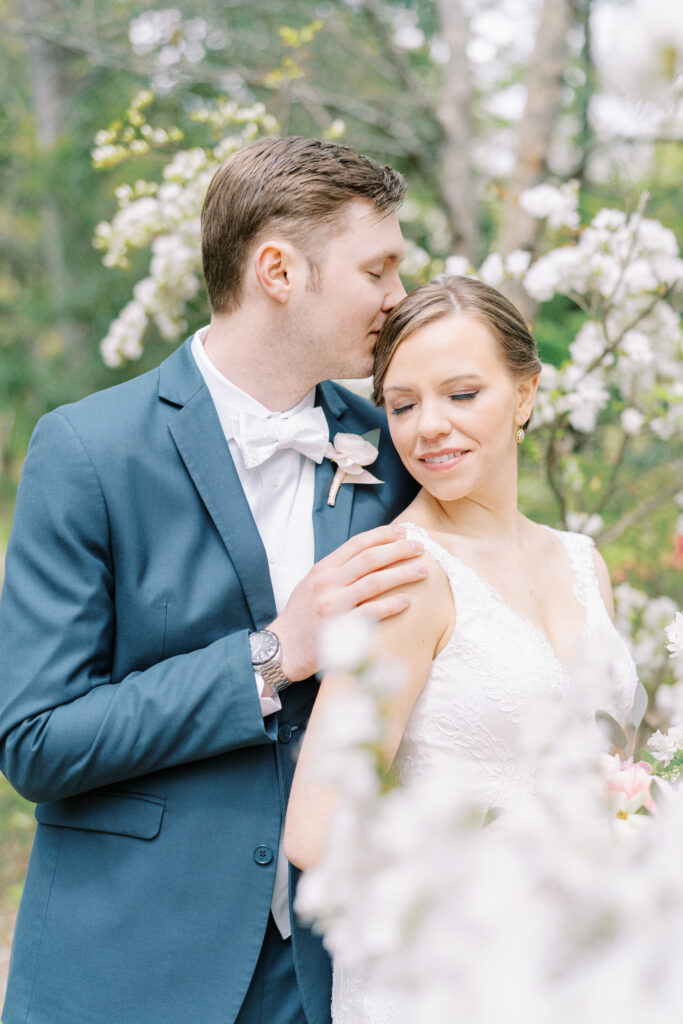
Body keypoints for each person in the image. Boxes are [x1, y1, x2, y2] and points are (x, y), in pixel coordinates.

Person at [0, 136, 426, 1024]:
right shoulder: (87, 452)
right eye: (377, 269)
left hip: (339, 974)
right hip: (134, 967)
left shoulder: (395, 449)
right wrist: (273, 657)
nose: (398, 296)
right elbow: (37, 740)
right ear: (278, 270)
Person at [284, 275, 638, 1023]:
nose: (428, 427)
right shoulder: (404, 576)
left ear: (526, 394)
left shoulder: (581, 562)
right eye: (403, 405)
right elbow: (317, 831)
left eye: (461, 394)